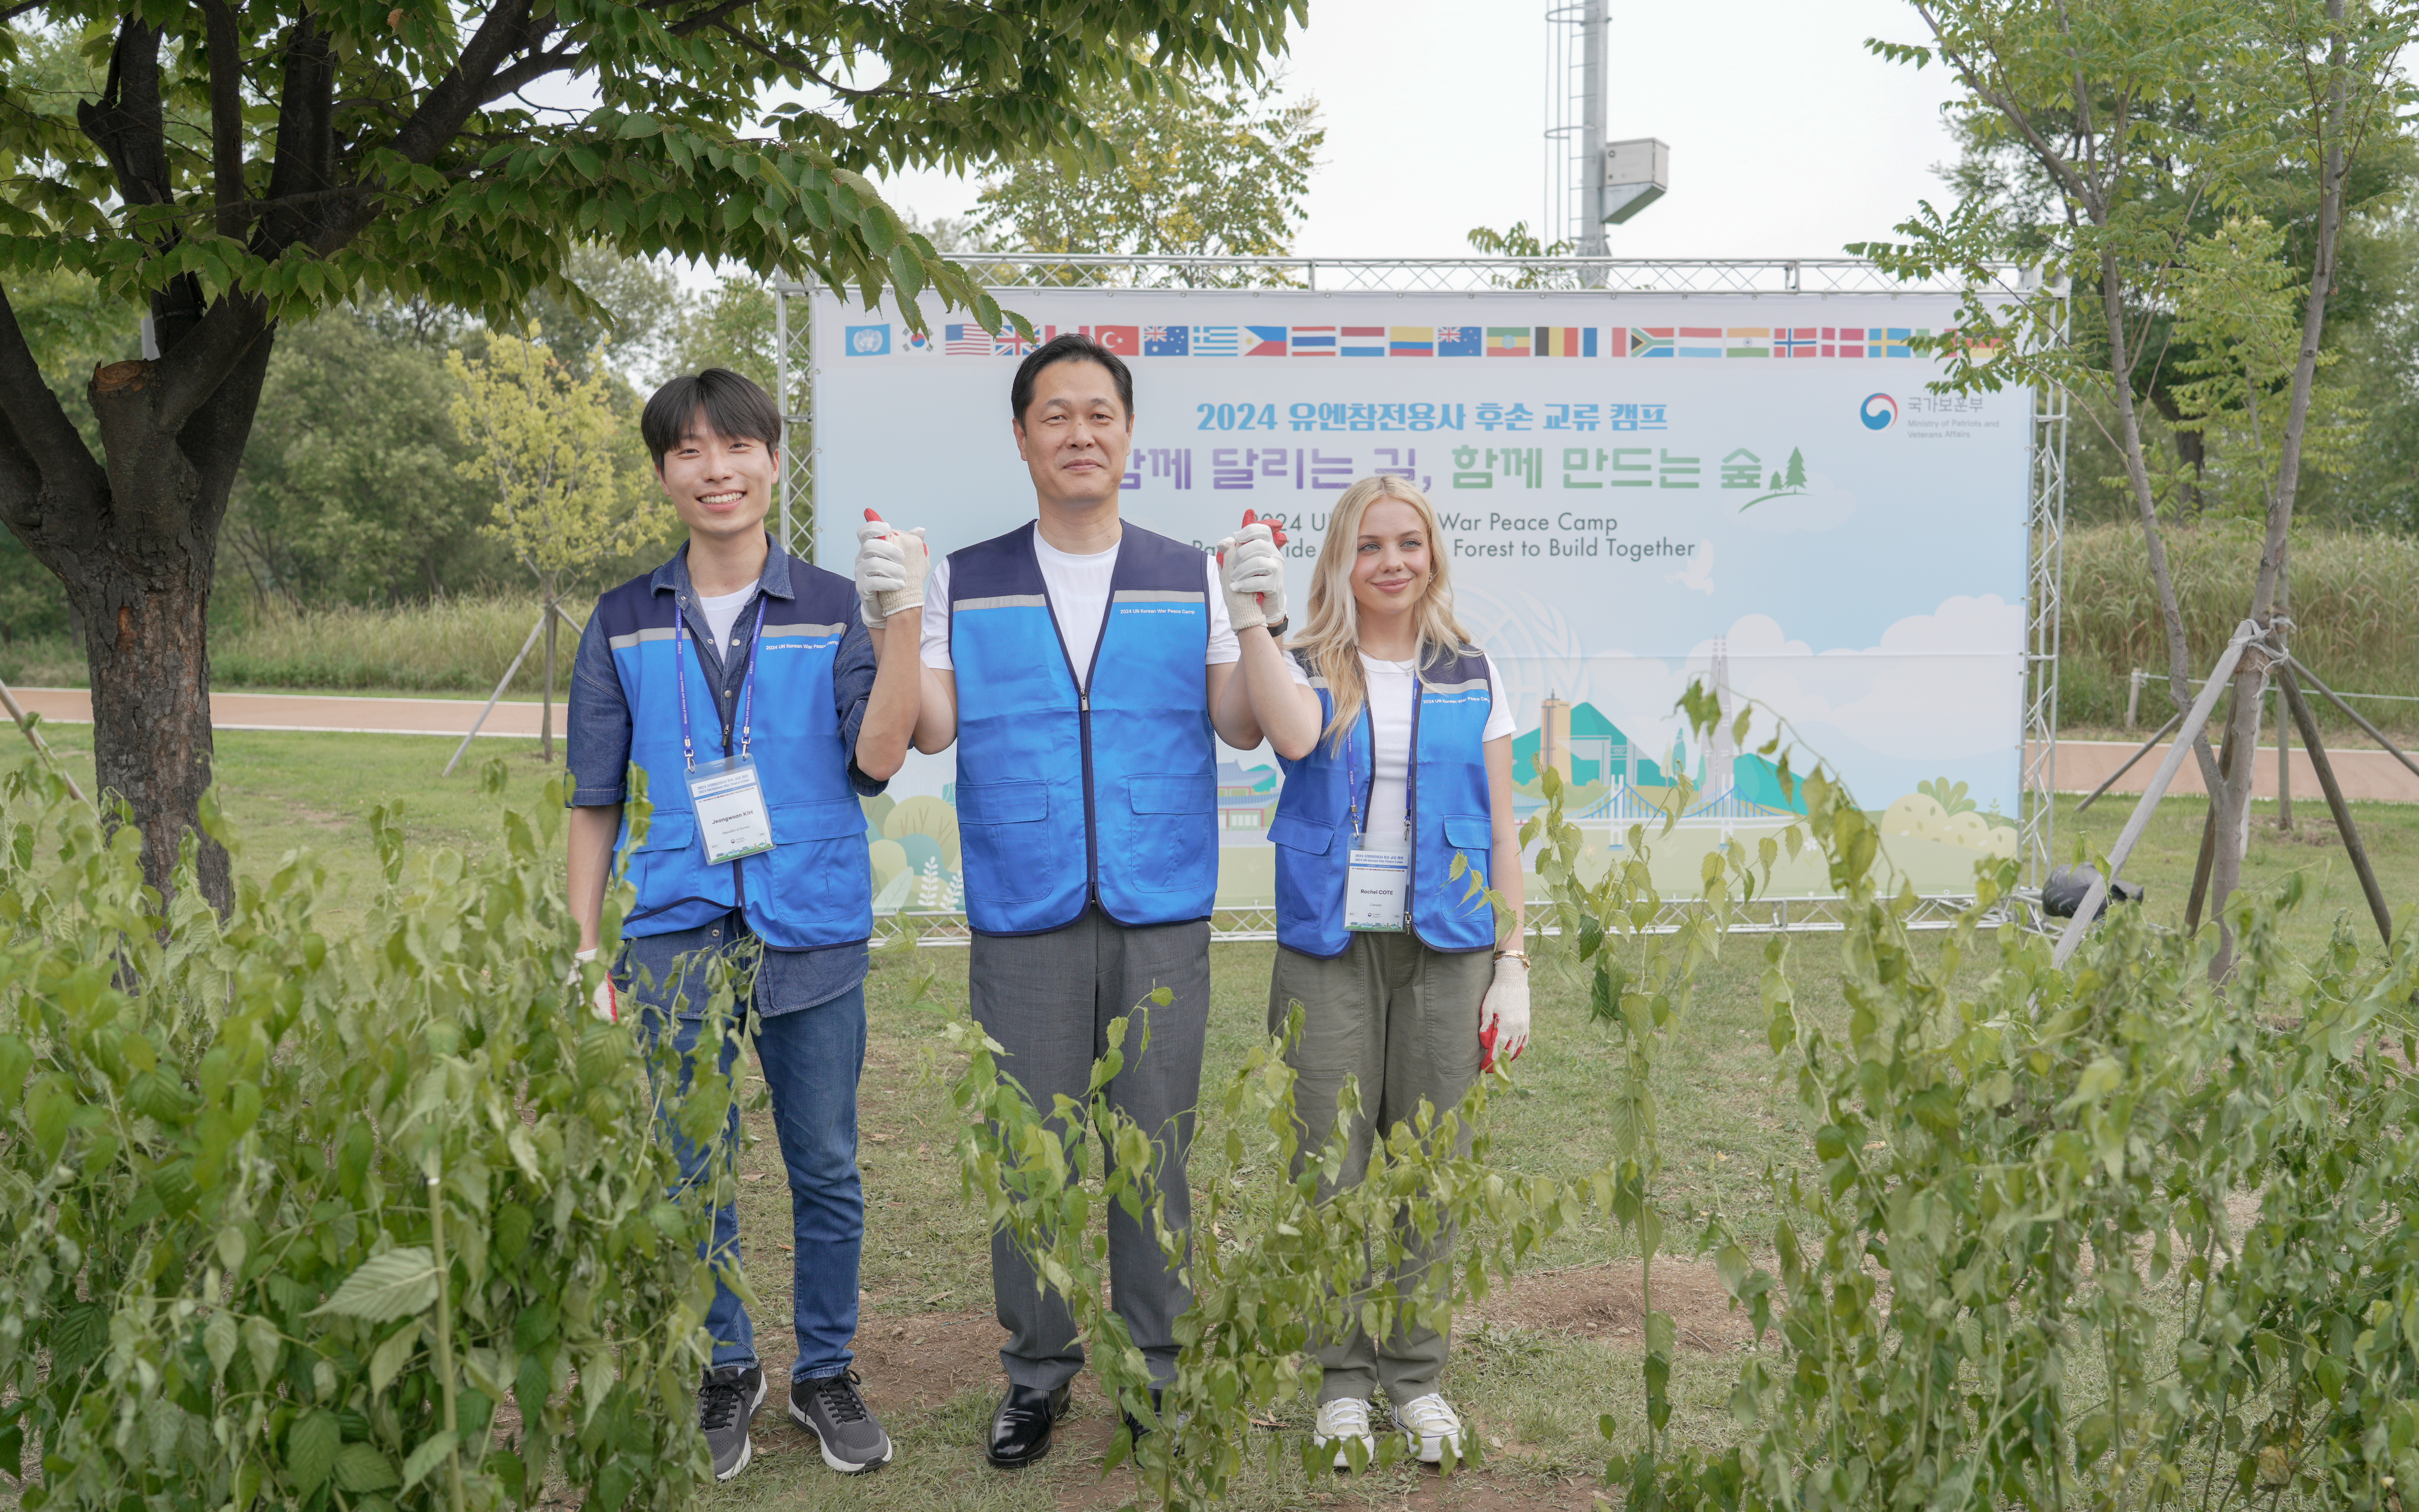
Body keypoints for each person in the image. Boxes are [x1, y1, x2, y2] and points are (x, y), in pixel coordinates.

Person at [860, 333, 1258, 1469]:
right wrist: (895, 608)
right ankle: (1036, 1373)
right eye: (1054, 415)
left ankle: (1158, 1368)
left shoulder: (1190, 574)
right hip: (1024, 900)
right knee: (1027, 1152)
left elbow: (1238, 720)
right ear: (1022, 436)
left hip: (1159, 902)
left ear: (1129, 435)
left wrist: (1261, 613)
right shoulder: (965, 577)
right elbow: (928, 727)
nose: (1078, 434)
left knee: (1154, 1147)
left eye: (1099, 414)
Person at [564, 368, 925, 1481]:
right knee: (692, 1164)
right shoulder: (623, 620)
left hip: (808, 925)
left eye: (736, 447)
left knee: (822, 1161)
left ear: (774, 460)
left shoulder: (829, 605)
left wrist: (900, 619)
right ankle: (728, 1364)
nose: (714, 469)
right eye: (687, 451)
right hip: (673, 927)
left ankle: (824, 1368)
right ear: (664, 472)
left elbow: (877, 756)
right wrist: (585, 947)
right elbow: (591, 800)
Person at [1212, 473, 1529, 1470]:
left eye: (1410, 542)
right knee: (1331, 1169)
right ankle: (1343, 1383)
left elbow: (1506, 829)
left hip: (1449, 949)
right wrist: (1252, 619)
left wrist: (1513, 961)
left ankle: (1418, 1379)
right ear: (1339, 560)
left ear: (1432, 554)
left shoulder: (1472, 670)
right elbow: (1295, 738)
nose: (1393, 561)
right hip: (1329, 951)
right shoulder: (1302, 660)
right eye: (1370, 545)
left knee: (1429, 1172)